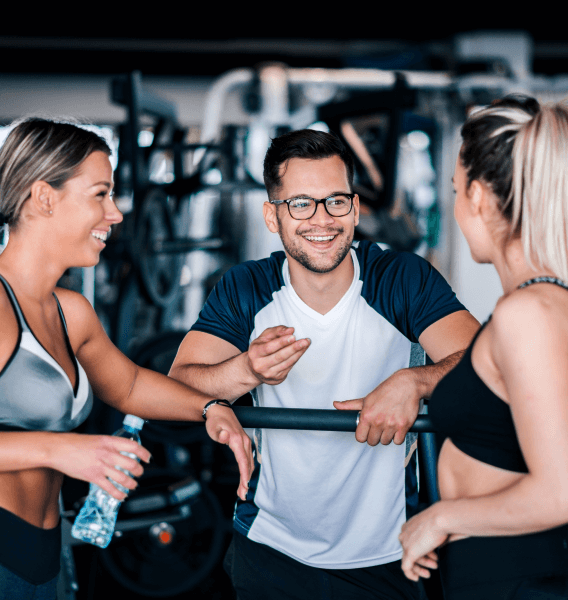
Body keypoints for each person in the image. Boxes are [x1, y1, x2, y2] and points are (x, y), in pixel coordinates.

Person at [169, 128, 480, 599]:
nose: (321, 219)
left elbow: (486, 362)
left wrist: (415, 381)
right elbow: (179, 383)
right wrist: (246, 371)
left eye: (335, 201)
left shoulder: (400, 278)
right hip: (270, 548)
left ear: (355, 209)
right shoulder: (246, 288)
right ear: (272, 217)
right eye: (301, 204)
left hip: (387, 551)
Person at [0, 117, 253, 600]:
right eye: (100, 194)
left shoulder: (69, 311)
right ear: (44, 197)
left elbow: (131, 385)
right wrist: (66, 451)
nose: (115, 214)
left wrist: (210, 409)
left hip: (49, 555)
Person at [399, 95, 568, 599]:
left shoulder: (528, 314)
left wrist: (441, 517)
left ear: (476, 196)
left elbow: (561, 489)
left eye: (454, 190)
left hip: (520, 576)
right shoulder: (544, 305)